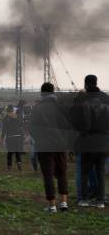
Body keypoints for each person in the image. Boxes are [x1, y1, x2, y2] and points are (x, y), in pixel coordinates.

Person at [30, 82, 71, 212]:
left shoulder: (37, 108)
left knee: (48, 174)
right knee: (62, 172)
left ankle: (52, 205)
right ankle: (64, 202)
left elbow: (32, 129)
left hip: (44, 145)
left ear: (42, 93)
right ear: (53, 92)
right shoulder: (61, 106)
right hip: (60, 144)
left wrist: (39, 139)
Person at [70, 74, 109, 208]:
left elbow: (74, 119)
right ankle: (101, 200)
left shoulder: (82, 99)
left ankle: (83, 198)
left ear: (86, 84)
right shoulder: (105, 98)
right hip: (103, 141)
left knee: (83, 170)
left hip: (86, 141)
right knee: (100, 171)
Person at [2, 105, 24, 171]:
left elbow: (4, 129)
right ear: (12, 110)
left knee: (10, 152)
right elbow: (21, 125)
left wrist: (2, 139)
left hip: (10, 136)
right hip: (18, 136)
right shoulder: (17, 116)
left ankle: (9, 167)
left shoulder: (6, 117)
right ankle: (19, 165)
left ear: (7, 110)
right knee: (17, 152)